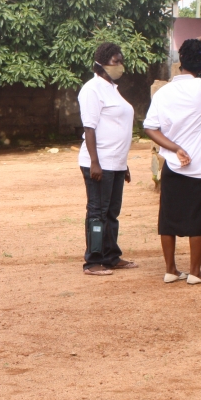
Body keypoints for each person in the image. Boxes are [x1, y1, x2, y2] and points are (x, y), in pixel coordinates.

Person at [143, 36, 201, 284]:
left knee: (168, 219)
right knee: (198, 219)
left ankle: (170, 270)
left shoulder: (164, 93)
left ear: (180, 60)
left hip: (173, 165)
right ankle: (195, 272)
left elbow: (150, 128)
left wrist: (175, 148)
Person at [78, 42, 137, 276]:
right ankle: (93, 261)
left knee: (112, 212)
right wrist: (95, 162)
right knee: (97, 213)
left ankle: (111, 256)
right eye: (115, 61)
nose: (120, 65)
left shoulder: (112, 88)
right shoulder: (92, 89)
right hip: (99, 163)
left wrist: (123, 164)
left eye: (121, 61)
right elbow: (89, 128)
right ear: (101, 64)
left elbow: (116, 126)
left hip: (116, 163)